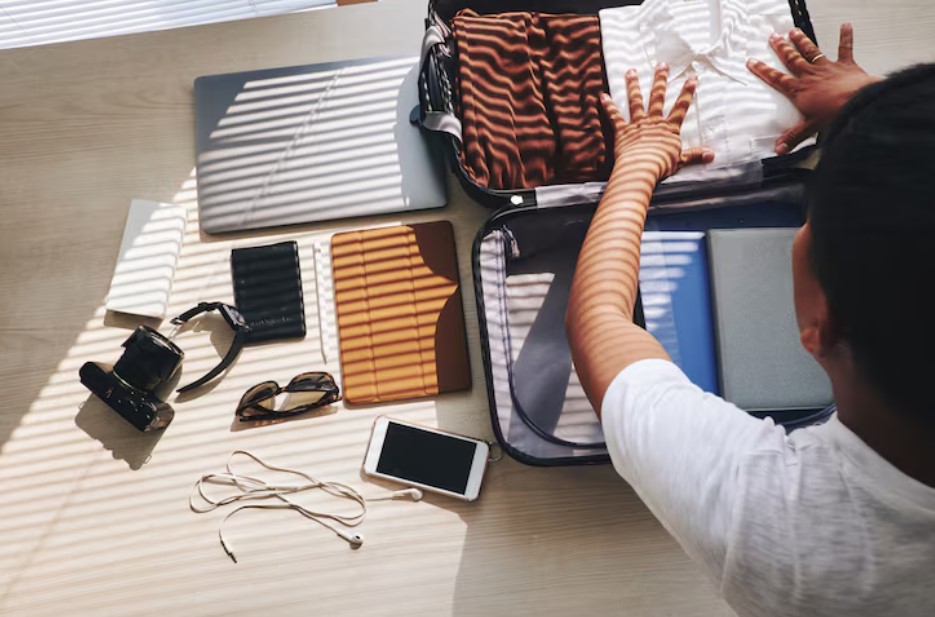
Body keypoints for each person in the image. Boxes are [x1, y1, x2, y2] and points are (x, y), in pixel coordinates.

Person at [565, 24, 935, 617]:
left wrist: (636, 164)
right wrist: (881, 121)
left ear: (818, 323)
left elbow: (599, 324)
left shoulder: (779, 524)